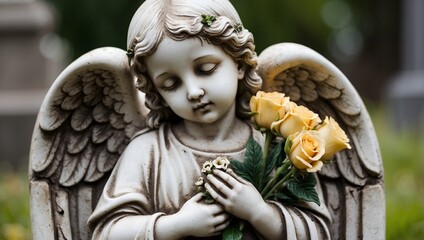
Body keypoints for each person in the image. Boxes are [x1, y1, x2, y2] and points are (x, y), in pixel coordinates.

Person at [88, 0, 331, 239]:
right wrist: (175, 226)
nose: (193, 92)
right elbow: (106, 233)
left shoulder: (277, 147)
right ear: (156, 92)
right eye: (171, 84)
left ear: (238, 61)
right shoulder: (147, 153)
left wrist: (259, 212)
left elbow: (319, 232)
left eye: (205, 69)